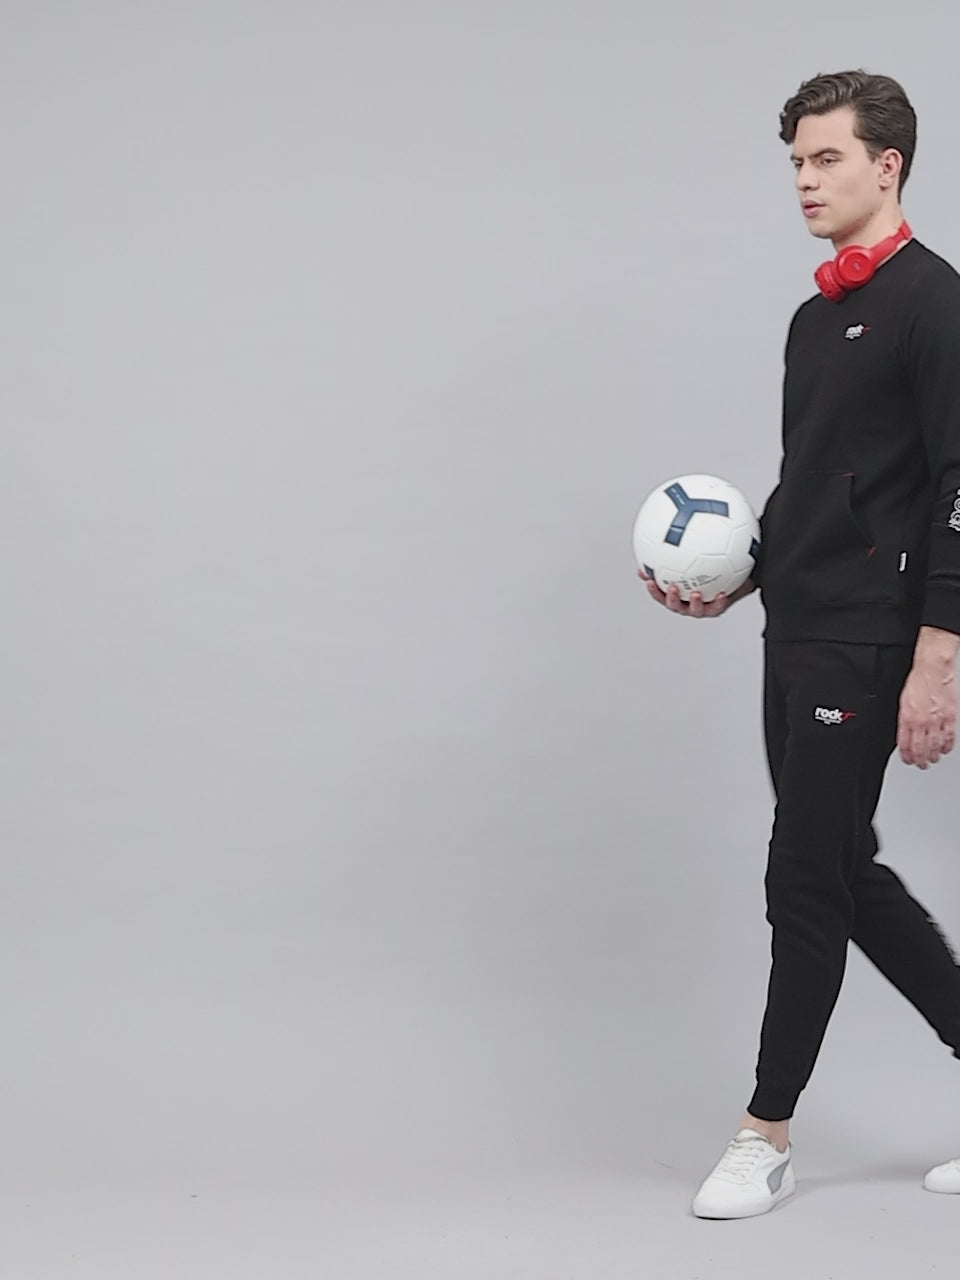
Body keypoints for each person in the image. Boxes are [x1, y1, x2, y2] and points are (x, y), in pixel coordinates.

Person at [640, 69, 960, 1219]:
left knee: (801, 879)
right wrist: (741, 580)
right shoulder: (813, 319)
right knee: (844, 870)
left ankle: (764, 1130)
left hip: (873, 641)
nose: (805, 182)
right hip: (798, 628)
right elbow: (815, 483)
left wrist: (937, 659)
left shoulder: (936, 303)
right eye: (795, 163)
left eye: (827, 159)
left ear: (888, 164)